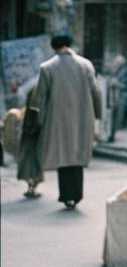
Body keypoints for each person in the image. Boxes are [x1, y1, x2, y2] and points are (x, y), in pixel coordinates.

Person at [30, 33, 102, 209]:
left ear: (54, 48)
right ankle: (77, 195)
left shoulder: (47, 67)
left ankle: (67, 195)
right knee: (77, 157)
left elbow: (38, 98)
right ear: (69, 45)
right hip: (82, 119)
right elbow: (96, 93)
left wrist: (37, 120)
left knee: (63, 156)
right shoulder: (86, 65)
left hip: (57, 121)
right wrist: (98, 117)